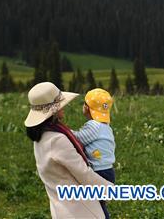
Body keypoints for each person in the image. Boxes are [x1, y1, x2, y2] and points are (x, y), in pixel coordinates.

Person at [25, 82, 113, 218]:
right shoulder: (57, 139)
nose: (64, 107)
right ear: (54, 110)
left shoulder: (40, 137)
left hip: (62, 208)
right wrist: (111, 191)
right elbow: (83, 173)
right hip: (80, 210)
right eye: (61, 104)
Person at [74, 88, 116, 219]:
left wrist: (64, 131)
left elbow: (78, 138)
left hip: (98, 172)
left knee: (96, 206)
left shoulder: (94, 126)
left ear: (86, 108)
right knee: (99, 203)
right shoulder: (106, 126)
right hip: (108, 171)